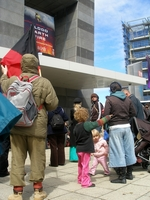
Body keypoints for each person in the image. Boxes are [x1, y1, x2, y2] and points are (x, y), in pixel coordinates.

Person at [0, 54, 58, 200]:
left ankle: (17, 192)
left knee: (17, 159)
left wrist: (4, 74)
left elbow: (3, 85)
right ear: (36, 65)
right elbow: (53, 104)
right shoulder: (44, 82)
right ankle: (38, 191)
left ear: (22, 65)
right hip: (37, 126)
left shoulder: (13, 80)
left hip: (17, 125)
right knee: (38, 158)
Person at [104, 82, 136, 184]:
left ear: (112, 89)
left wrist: (112, 119)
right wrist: (125, 117)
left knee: (118, 151)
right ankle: (129, 174)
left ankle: (122, 177)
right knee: (129, 150)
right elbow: (133, 113)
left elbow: (106, 115)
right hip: (127, 127)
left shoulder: (110, 99)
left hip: (115, 127)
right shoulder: (128, 99)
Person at [73, 107, 112, 188]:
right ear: (85, 116)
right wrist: (108, 117)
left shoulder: (76, 126)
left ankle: (80, 179)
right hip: (85, 149)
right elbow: (98, 123)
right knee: (85, 166)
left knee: (80, 165)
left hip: (78, 149)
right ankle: (86, 182)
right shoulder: (86, 125)